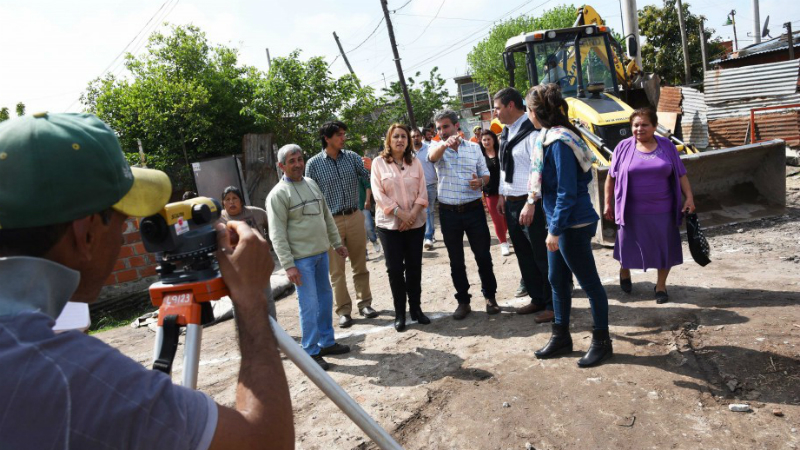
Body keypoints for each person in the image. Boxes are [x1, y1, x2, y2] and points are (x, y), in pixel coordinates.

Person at [0, 112, 293, 448]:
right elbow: (266, 442)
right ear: (86, 235)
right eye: (122, 222)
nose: (126, 238)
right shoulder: (74, 379)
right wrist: (252, 299)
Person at [525, 84, 613, 367]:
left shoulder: (560, 142)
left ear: (536, 112)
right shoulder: (549, 138)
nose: (528, 114)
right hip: (560, 221)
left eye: (528, 109)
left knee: (590, 285)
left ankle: (602, 342)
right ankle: (561, 336)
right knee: (556, 280)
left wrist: (554, 230)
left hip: (570, 224)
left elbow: (567, 191)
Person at [268, 144, 352, 370]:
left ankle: (326, 342)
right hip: (301, 261)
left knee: (325, 300)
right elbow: (277, 234)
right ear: (281, 166)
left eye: (299, 159)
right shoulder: (278, 195)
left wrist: (336, 243)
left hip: (321, 255)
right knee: (309, 304)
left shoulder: (312, 184)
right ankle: (311, 352)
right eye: (291, 161)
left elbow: (326, 216)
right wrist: (288, 265)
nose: (297, 164)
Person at [604, 108, 696, 304]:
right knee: (626, 245)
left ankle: (661, 286)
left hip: (663, 209)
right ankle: (624, 269)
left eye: (644, 124)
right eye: (635, 125)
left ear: (655, 126)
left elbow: (681, 174)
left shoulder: (667, 146)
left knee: (665, 248)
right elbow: (610, 178)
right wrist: (607, 203)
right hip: (630, 210)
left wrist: (689, 198)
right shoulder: (622, 147)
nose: (639, 129)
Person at [427, 109, 499, 319]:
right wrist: (443, 144)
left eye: (446, 126)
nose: (442, 131)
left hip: (474, 210)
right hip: (449, 213)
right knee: (455, 260)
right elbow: (432, 157)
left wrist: (481, 182)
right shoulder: (436, 146)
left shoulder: (474, 148)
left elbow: (485, 174)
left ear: (456, 126)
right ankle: (463, 301)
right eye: (439, 128)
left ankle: (490, 297)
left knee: (483, 256)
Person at [306, 121, 377, 328]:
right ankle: (344, 311)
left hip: (355, 216)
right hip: (330, 222)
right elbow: (311, 195)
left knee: (360, 265)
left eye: (344, 134)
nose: (343, 138)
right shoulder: (313, 164)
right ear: (327, 138)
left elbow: (369, 178)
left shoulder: (353, 157)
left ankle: (365, 304)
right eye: (339, 135)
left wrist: (373, 167)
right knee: (337, 271)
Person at [493, 87, 554, 323]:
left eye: (497, 107)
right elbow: (503, 167)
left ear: (510, 105)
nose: (495, 112)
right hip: (511, 202)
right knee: (524, 255)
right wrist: (501, 195)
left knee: (541, 254)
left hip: (530, 204)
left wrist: (531, 201)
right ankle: (537, 298)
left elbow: (536, 171)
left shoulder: (532, 134)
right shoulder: (506, 134)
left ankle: (551, 303)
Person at [371, 124, 430, 332]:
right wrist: (400, 214)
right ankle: (400, 313)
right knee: (395, 270)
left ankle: (416, 309)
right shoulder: (378, 163)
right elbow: (378, 195)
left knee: (414, 267)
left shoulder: (415, 162)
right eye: (395, 136)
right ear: (389, 140)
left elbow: (423, 191)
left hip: (415, 223)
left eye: (403, 136)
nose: (400, 140)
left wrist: (411, 215)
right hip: (389, 226)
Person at [218, 185, 277, 319]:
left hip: (258, 265)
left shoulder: (257, 213)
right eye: (228, 199)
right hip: (235, 269)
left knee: (266, 299)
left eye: (235, 198)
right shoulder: (219, 220)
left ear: (241, 201)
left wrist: (268, 244)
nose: (231, 202)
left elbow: (273, 228)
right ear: (223, 203)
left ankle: (274, 334)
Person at [478, 129, 510, 257]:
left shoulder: (501, 152)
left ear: (494, 140)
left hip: (506, 190)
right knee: (497, 219)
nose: (486, 142)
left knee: (507, 217)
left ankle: (506, 234)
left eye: (488, 139)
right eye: (484, 140)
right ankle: (503, 243)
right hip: (490, 192)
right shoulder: (480, 156)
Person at [412, 127, 438, 250]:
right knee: (424, 212)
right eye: (413, 136)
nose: (415, 138)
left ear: (421, 137)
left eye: (417, 135)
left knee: (428, 210)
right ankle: (429, 234)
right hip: (414, 188)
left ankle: (428, 236)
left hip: (430, 184)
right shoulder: (408, 153)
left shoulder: (429, 149)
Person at [358, 157, 381, 259]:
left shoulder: (360, 175)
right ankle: (364, 252)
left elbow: (368, 186)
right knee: (359, 232)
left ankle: (374, 240)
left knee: (368, 227)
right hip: (352, 209)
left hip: (363, 206)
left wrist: (367, 200)